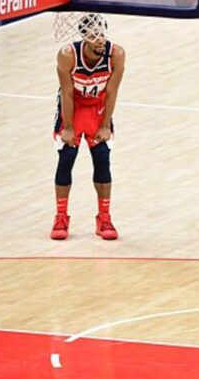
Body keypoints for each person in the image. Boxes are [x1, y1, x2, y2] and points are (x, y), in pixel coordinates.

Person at [50, 13, 125, 241]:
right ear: (84, 38)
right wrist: (69, 127)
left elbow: (112, 92)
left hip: (98, 108)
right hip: (74, 107)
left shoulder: (116, 54)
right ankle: (61, 217)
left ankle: (104, 217)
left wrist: (105, 126)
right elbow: (68, 92)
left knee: (102, 160)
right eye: (94, 36)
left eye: (102, 34)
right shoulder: (67, 55)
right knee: (66, 159)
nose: (100, 40)